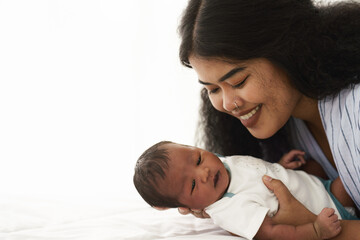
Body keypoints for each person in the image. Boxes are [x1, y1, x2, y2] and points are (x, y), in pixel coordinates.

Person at [178, 0, 360, 217]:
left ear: (287, 49)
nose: (227, 104)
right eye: (213, 90)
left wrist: (308, 227)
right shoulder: (287, 124)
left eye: (238, 82)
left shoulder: (355, 106)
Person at [133, 141, 359, 240]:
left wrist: (279, 166)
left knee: (322, 165)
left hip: (317, 186)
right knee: (351, 175)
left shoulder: (219, 166)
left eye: (198, 158)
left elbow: (253, 176)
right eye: (192, 185)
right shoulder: (229, 208)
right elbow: (271, 233)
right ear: (187, 207)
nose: (203, 173)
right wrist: (316, 231)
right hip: (327, 211)